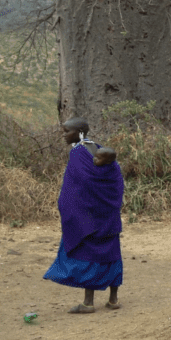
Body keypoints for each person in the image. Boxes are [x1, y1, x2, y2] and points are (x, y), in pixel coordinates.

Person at [44, 117, 125, 314]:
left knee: (90, 254)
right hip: (108, 215)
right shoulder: (96, 147)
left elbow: (81, 184)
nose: (63, 135)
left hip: (88, 218)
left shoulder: (78, 152)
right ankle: (113, 300)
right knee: (112, 253)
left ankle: (88, 303)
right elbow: (114, 178)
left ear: (79, 132)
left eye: (66, 131)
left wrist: (70, 208)